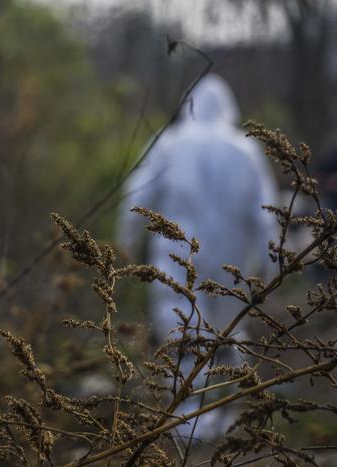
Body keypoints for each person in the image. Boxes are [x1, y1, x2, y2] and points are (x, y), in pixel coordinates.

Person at [116, 73, 278, 440]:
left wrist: (124, 242)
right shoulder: (246, 149)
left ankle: (189, 421)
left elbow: (136, 192)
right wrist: (272, 265)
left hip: (177, 257)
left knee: (184, 332)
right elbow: (266, 211)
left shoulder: (170, 144)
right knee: (228, 331)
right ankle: (232, 411)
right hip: (231, 259)